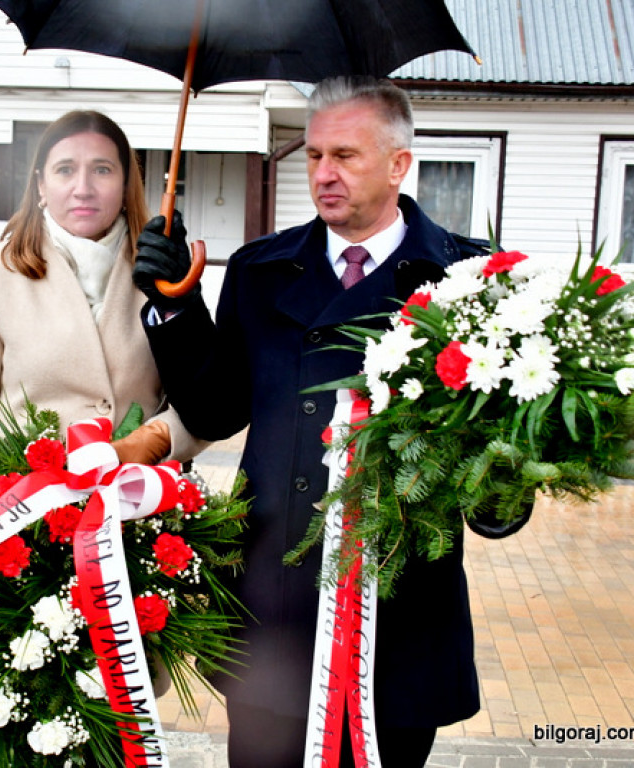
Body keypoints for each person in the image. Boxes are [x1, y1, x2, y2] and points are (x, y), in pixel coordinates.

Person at [131, 76, 529, 767]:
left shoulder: (468, 279)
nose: (324, 174)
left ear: (400, 163)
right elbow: (216, 409)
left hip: (397, 627)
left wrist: (509, 479)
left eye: (345, 155)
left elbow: (497, 473)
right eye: (314, 156)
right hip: (274, 616)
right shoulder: (262, 270)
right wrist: (175, 306)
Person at [0, 109, 204, 465]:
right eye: (65, 170)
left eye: (102, 170)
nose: (83, 189)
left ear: (126, 185)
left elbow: (205, 404)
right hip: (22, 509)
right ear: (41, 186)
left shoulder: (165, 273)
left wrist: (153, 441)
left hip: (143, 502)